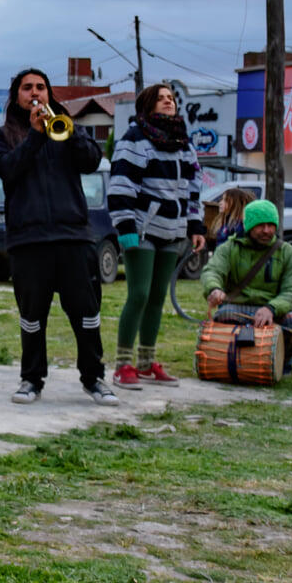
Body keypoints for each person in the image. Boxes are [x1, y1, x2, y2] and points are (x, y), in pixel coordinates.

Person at [0, 68, 118, 407]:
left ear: (49, 94)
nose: (35, 93)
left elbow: (93, 159)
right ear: (16, 95)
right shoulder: (0, 135)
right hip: (28, 240)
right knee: (32, 318)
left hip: (73, 236)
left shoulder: (67, 125)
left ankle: (94, 378)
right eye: (27, 87)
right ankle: (31, 379)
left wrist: (63, 128)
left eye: (41, 87)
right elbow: (8, 169)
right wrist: (35, 135)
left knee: (86, 315)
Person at [109, 83, 207, 389]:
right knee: (138, 293)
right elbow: (121, 184)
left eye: (172, 99)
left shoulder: (184, 143)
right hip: (142, 229)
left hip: (174, 230)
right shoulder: (135, 138)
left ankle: (147, 363)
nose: (169, 102)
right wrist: (124, 227)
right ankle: (123, 365)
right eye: (162, 98)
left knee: (158, 296)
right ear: (148, 105)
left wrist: (195, 226)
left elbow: (193, 190)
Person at [199, 200, 292, 373]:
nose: (266, 230)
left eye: (270, 225)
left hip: (273, 309)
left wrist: (272, 308)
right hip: (237, 308)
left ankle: (283, 363)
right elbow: (212, 271)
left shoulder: (289, 253)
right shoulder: (229, 248)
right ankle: (231, 359)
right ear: (249, 226)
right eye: (260, 225)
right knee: (224, 315)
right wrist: (214, 288)